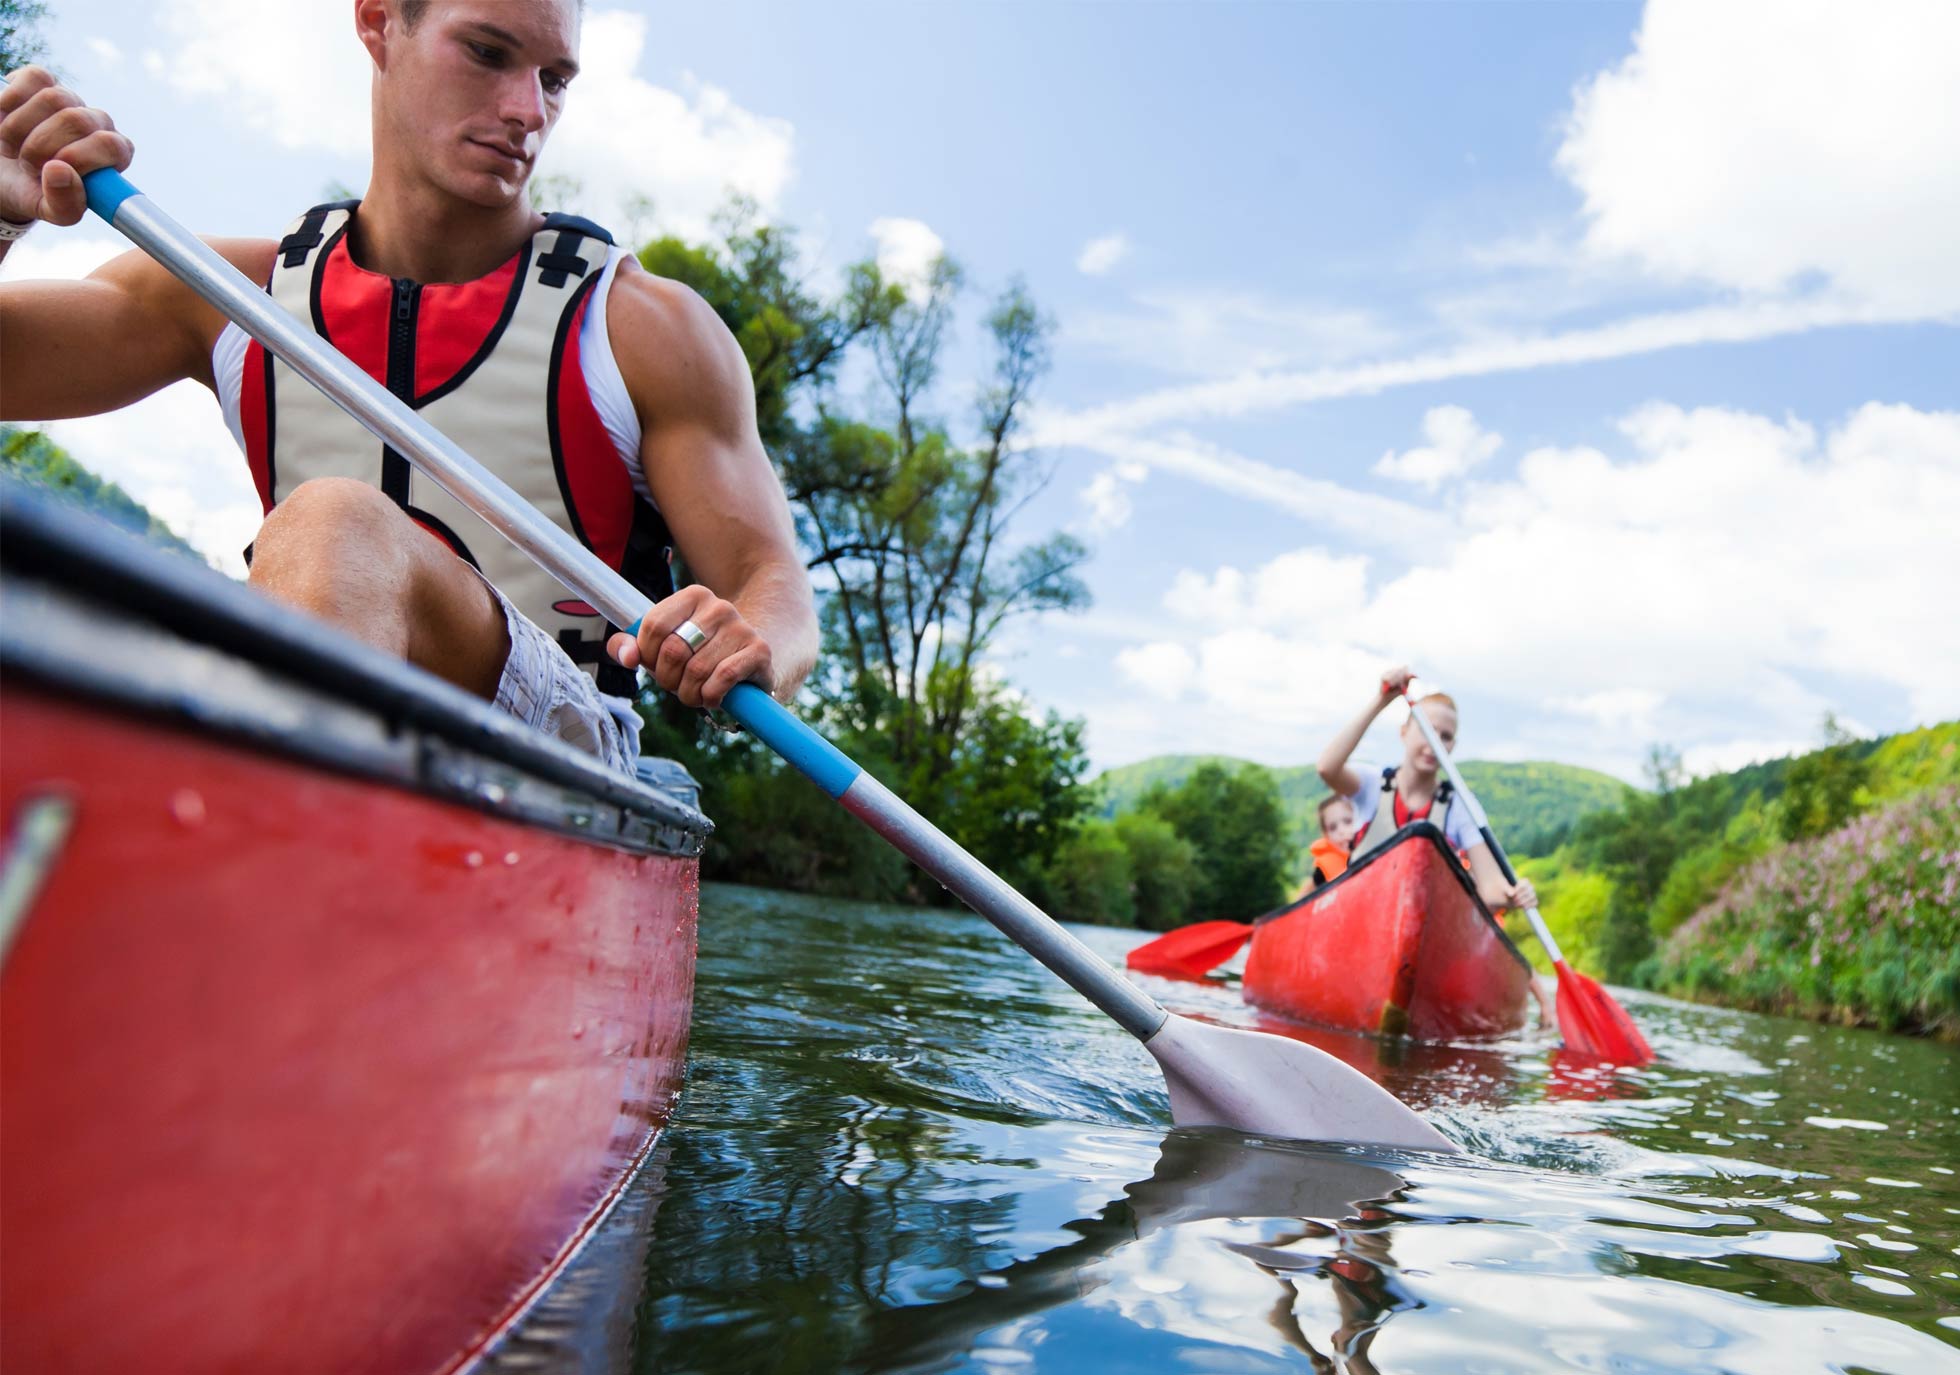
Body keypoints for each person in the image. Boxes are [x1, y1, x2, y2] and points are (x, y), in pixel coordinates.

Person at [0, 0, 817, 777]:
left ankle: (250, 846)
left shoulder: (645, 329)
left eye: (554, 79)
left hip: (564, 747)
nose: (528, 110)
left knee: (334, 519)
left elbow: (772, 586)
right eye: (489, 54)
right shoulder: (225, 293)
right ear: (378, 23)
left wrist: (751, 643)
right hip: (305, 696)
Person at [1317, 665, 1557, 1025]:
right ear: (1404, 732)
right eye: (1427, 731)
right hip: (1361, 928)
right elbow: (1327, 768)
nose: (1435, 743)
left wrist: (1515, 894)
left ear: (1453, 747)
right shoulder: (1372, 784)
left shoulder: (1459, 805)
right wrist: (1382, 700)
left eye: (1445, 737)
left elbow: (1491, 890)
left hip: (1426, 946)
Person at [1300, 794, 1356, 895]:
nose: (1341, 831)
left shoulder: (1371, 845)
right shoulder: (1322, 870)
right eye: (1333, 828)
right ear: (1326, 835)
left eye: (1348, 821)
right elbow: (1302, 901)